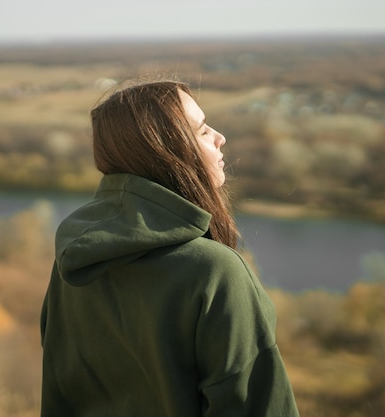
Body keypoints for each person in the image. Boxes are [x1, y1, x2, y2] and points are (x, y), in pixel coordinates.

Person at [40, 79, 299, 416]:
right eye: (203, 130)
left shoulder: (74, 264)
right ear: (166, 149)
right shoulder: (214, 272)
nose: (221, 138)